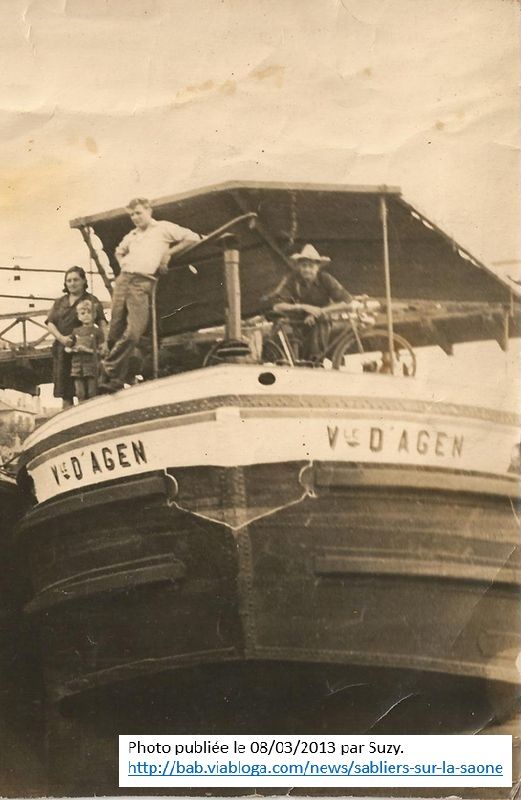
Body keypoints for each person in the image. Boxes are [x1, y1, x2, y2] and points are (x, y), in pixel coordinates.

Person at [98, 197, 201, 393]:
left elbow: (192, 238)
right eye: (132, 215)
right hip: (123, 280)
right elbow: (119, 251)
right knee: (114, 332)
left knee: (134, 331)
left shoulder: (163, 228)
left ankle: (108, 366)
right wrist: (123, 264)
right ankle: (113, 379)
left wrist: (167, 254)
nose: (135, 217)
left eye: (138, 213)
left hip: (142, 282)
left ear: (149, 211)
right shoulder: (132, 235)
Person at [271, 243, 353, 361]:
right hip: (299, 321)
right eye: (304, 266)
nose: (307, 270)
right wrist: (303, 307)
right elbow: (277, 306)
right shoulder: (293, 279)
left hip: (322, 320)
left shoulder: (325, 279)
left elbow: (347, 302)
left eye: (311, 266)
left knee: (321, 324)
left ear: (318, 267)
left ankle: (315, 360)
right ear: (299, 267)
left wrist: (319, 312)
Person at [46, 266, 108, 409]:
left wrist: (105, 342)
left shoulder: (91, 299)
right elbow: (50, 323)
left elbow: (102, 322)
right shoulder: (60, 302)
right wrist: (61, 338)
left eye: (76, 280)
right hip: (63, 350)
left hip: (85, 352)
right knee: (65, 391)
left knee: (88, 390)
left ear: (84, 281)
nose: (72, 283)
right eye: (69, 280)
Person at [67, 299, 105, 402]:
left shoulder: (97, 332)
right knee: (80, 393)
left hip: (91, 366)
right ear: (78, 316)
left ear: (95, 315)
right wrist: (70, 349)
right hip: (77, 366)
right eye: (83, 313)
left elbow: (101, 351)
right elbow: (68, 346)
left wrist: (87, 350)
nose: (86, 315)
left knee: (92, 392)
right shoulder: (75, 331)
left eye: (89, 312)